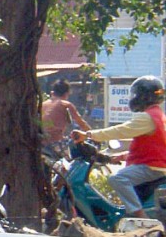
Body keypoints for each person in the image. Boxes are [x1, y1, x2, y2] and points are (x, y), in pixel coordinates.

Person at [71, 76, 166, 219]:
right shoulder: (158, 115)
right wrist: (125, 155)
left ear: (143, 96)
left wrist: (88, 134)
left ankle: (140, 216)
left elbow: (120, 131)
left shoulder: (146, 118)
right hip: (154, 165)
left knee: (118, 179)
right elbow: (154, 145)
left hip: (151, 167)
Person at [41, 79, 90, 158]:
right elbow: (81, 122)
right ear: (66, 93)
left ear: (53, 92)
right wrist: (93, 134)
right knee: (70, 163)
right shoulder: (65, 104)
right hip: (55, 143)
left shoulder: (43, 104)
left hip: (40, 143)